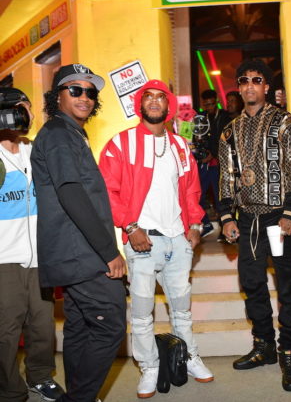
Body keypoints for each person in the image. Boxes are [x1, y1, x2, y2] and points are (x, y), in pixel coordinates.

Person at [99, 79, 214, 399]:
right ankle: (149, 366)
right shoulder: (121, 143)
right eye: (147, 96)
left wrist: (195, 225)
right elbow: (107, 190)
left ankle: (189, 357)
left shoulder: (180, 146)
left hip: (178, 240)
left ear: (169, 105)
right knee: (141, 312)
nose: (153, 101)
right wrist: (130, 226)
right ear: (140, 104)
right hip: (142, 240)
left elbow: (191, 189)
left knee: (182, 309)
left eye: (159, 97)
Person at [30, 64, 127, 402]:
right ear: (56, 96)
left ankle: (79, 394)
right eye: (75, 89)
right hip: (81, 252)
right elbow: (71, 193)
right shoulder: (59, 134)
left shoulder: (69, 133)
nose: (84, 97)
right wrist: (109, 252)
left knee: (80, 326)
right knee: (111, 323)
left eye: (90, 92)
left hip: (74, 250)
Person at [218, 59, 291, 392]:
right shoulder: (229, 130)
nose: (249, 85)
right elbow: (227, 176)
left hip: (277, 219)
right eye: (244, 80)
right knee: (253, 283)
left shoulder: (285, 122)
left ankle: (289, 351)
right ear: (239, 87)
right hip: (248, 221)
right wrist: (226, 216)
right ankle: (264, 345)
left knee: (287, 285)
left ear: (267, 87)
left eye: (257, 80)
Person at [0, 88, 64, 402]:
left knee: (42, 325)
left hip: (41, 256)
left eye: (24, 106)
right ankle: (10, 389)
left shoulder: (36, 149)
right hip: (4, 257)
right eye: (13, 108)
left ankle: (40, 376)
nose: (20, 113)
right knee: (6, 329)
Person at [195, 89, 231, 239]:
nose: (209, 107)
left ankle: (225, 230)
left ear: (216, 102)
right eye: (206, 105)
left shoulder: (225, 117)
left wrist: (213, 154)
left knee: (220, 198)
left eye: (211, 104)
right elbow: (195, 137)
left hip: (219, 164)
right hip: (204, 164)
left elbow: (226, 139)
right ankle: (206, 224)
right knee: (198, 196)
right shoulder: (200, 117)